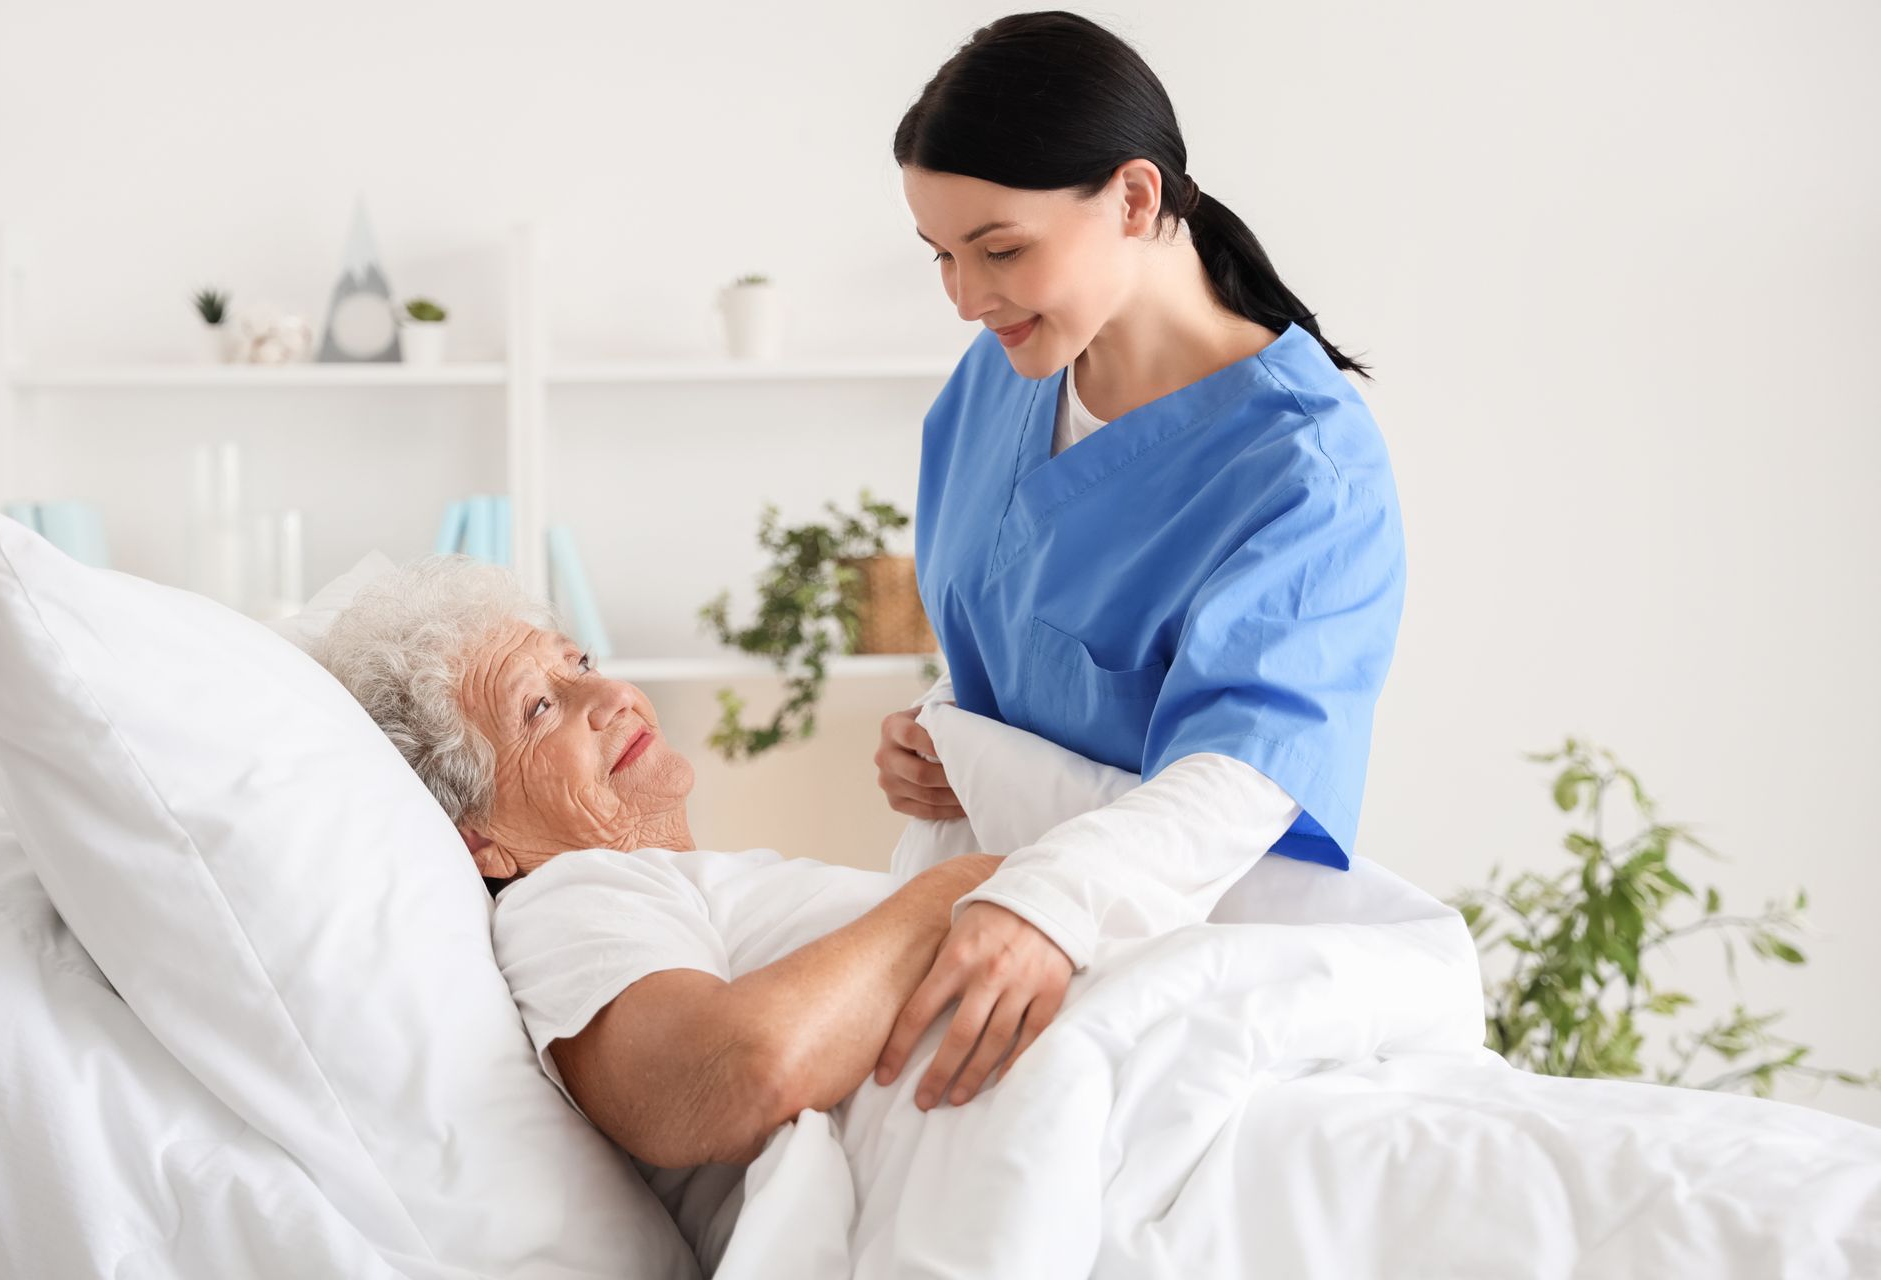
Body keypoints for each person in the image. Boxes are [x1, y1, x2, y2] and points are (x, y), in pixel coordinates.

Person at [871, 11, 1407, 1113]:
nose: (969, 299)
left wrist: (1051, 908)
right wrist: (945, 734)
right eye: (942, 257)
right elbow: (1017, 629)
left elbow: (1242, 772)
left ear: (1133, 196)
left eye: (1000, 249)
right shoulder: (996, 382)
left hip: (1167, 964)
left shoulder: (1306, 470)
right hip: (974, 917)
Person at [312, 555, 1002, 1275]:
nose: (610, 696)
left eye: (580, 664)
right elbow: (731, 1075)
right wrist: (969, 891)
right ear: (479, 838)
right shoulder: (570, 898)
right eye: (539, 709)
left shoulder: (668, 884)